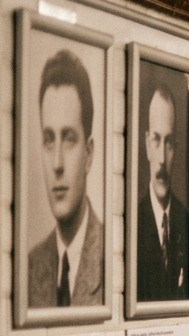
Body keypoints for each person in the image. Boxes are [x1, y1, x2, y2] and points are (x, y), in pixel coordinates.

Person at [30, 50, 104, 309]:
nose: (57, 164)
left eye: (69, 138)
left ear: (89, 154)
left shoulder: (113, 258)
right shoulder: (30, 267)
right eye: (49, 140)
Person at [136, 82, 189, 303]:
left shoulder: (186, 222)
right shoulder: (134, 223)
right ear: (147, 144)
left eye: (168, 143)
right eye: (156, 140)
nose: (161, 159)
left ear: (175, 149)